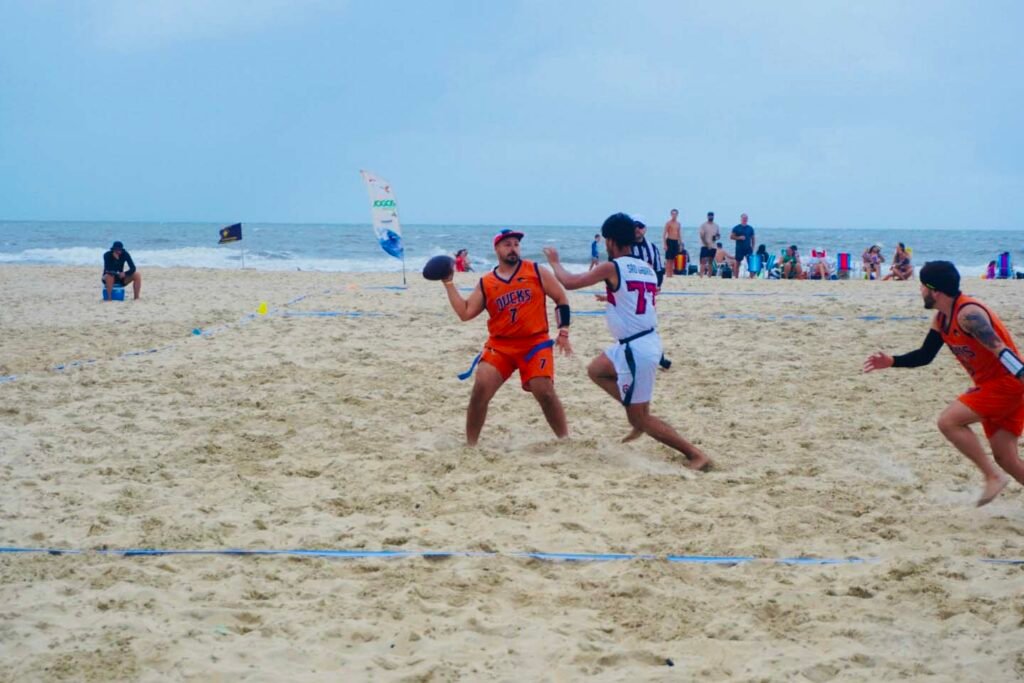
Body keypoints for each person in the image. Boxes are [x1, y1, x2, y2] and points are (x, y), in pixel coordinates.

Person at [543, 213, 711, 471]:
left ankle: (695, 454)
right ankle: (636, 413)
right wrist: (611, 298)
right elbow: (637, 299)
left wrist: (554, 262)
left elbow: (569, 282)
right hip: (641, 342)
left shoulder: (613, 267)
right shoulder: (644, 267)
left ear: (610, 241)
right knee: (596, 370)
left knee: (641, 418)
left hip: (638, 348)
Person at [863, 261, 1024, 506]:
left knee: (948, 421)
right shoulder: (942, 319)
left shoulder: (968, 314)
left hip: (1008, 384)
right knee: (1007, 458)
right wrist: (892, 361)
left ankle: (992, 476)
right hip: (995, 387)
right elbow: (925, 355)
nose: (920, 292)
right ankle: (997, 472)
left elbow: (1001, 351)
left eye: (921, 287)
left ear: (934, 290)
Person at [440, 229, 572, 446]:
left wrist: (564, 331)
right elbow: (465, 313)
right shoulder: (487, 282)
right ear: (497, 249)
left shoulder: (536, 271)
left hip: (535, 342)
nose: (513, 248)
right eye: (507, 244)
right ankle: (471, 444)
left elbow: (561, 298)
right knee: (480, 388)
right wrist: (449, 283)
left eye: (516, 244)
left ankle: (565, 439)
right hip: (500, 346)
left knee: (545, 391)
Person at [630, 216, 671, 369]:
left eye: (640, 226)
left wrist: (657, 286)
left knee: (648, 325)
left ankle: (658, 356)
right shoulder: (625, 247)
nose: (637, 229)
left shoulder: (651, 248)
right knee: (631, 327)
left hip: (646, 293)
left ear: (645, 228)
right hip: (629, 292)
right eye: (634, 226)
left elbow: (659, 269)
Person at [729, 213, 755, 278]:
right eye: (743, 218)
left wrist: (753, 247)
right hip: (739, 248)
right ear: (741, 219)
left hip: (748, 248)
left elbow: (753, 238)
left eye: (746, 218)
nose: (745, 219)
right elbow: (731, 237)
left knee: (751, 263)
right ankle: (736, 277)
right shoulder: (736, 228)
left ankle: (751, 277)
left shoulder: (750, 228)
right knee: (737, 263)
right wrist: (739, 237)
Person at [698, 211, 720, 278]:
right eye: (709, 216)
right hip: (704, 245)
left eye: (712, 216)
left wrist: (716, 237)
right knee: (703, 261)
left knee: (711, 262)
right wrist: (707, 244)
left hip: (713, 246)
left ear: (713, 216)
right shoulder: (703, 225)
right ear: (707, 216)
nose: (711, 217)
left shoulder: (716, 226)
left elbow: (718, 235)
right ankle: (701, 276)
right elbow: (702, 236)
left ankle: (709, 276)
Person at [663, 209, 682, 279]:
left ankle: (671, 273)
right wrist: (664, 244)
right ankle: (667, 274)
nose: (674, 215)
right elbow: (664, 234)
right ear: (671, 215)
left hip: (675, 242)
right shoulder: (668, 223)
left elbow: (679, 234)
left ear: (677, 215)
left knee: (674, 258)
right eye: (673, 214)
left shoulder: (678, 224)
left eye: (675, 214)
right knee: (668, 259)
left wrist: (680, 244)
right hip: (669, 241)